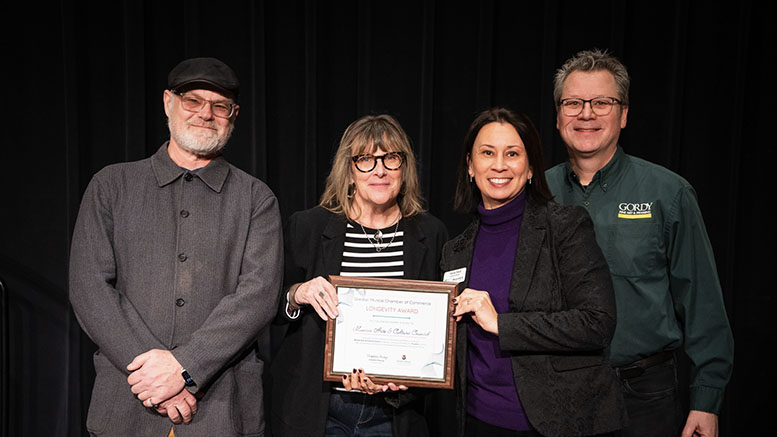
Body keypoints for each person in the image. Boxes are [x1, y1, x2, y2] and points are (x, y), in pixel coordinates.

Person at [68, 57, 283, 436]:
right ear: (168, 102)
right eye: (193, 101)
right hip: (127, 401)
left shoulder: (255, 198)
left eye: (220, 106)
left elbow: (259, 296)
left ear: (234, 116)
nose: (206, 114)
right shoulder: (111, 185)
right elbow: (90, 288)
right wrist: (157, 377)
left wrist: (185, 367)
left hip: (222, 408)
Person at [545, 49, 734, 437]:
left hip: (643, 397)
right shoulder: (535, 194)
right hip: (554, 393)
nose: (586, 114)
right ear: (558, 115)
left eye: (602, 102)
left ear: (624, 114)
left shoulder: (669, 194)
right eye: (574, 103)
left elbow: (702, 302)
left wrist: (706, 399)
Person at [444, 107, 625, 437]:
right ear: (470, 166)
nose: (499, 165)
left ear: (530, 168)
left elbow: (597, 323)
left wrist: (500, 323)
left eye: (512, 153)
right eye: (487, 153)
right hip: (477, 422)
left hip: (558, 424)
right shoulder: (455, 250)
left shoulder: (565, 227)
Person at [269, 114, 448, 436]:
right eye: (366, 159)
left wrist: (407, 376)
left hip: (394, 412)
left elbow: (438, 329)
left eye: (391, 158)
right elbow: (270, 304)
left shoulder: (430, 233)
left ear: (404, 169)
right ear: (349, 171)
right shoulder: (308, 227)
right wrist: (297, 293)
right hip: (320, 409)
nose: (379, 170)